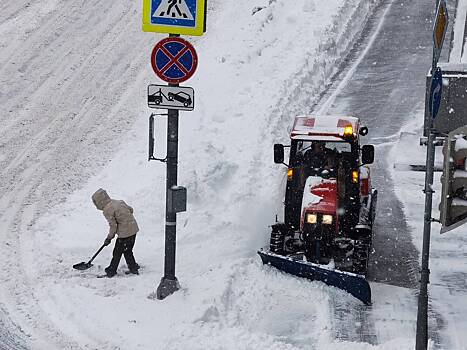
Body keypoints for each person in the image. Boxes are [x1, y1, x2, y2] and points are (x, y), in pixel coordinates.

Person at [92, 188, 140, 277]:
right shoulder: (118, 202)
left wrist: (109, 238)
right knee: (128, 250)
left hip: (125, 234)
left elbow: (113, 226)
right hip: (133, 230)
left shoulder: (107, 210)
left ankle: (111, 271)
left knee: (117, 253)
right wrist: (125, 219)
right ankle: (133, 267)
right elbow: (131, 209)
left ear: (99, 202)